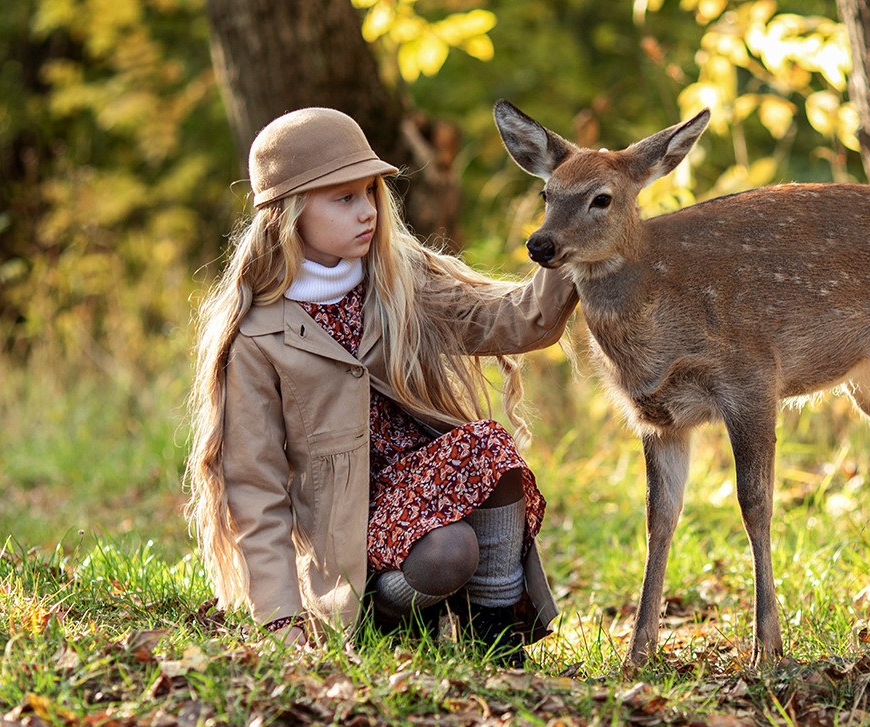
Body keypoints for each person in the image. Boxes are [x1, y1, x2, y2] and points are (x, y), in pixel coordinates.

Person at [186, 107, 578, 664]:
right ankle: (379, 614)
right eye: (343, 198)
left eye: (369, 192)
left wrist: (574, 235)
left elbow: (514, 322)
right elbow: (255, 484)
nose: (367, 211)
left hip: (422, 483)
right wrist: (279, 613)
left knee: (489, 448)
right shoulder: (259, 335)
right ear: (289, 212)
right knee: (448, 552)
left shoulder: (400, 279)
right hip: (344, 524)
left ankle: (496, 643)